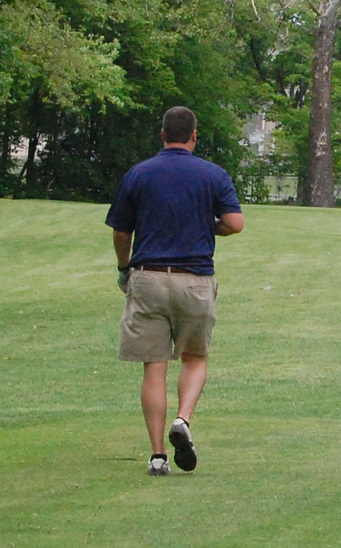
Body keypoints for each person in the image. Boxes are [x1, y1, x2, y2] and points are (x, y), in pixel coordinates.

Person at [105, 106, 244, 476]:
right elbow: (235, 223)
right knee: (195, 356)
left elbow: (121, 232)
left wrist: (124, 269)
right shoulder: (213, 174)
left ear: (162, 134)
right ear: (194, 136)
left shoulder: (139, 174)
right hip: (195, 279)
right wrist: (207, 225)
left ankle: (156, 455)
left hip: (149, 277)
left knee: (155, 365)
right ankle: (182, 420)